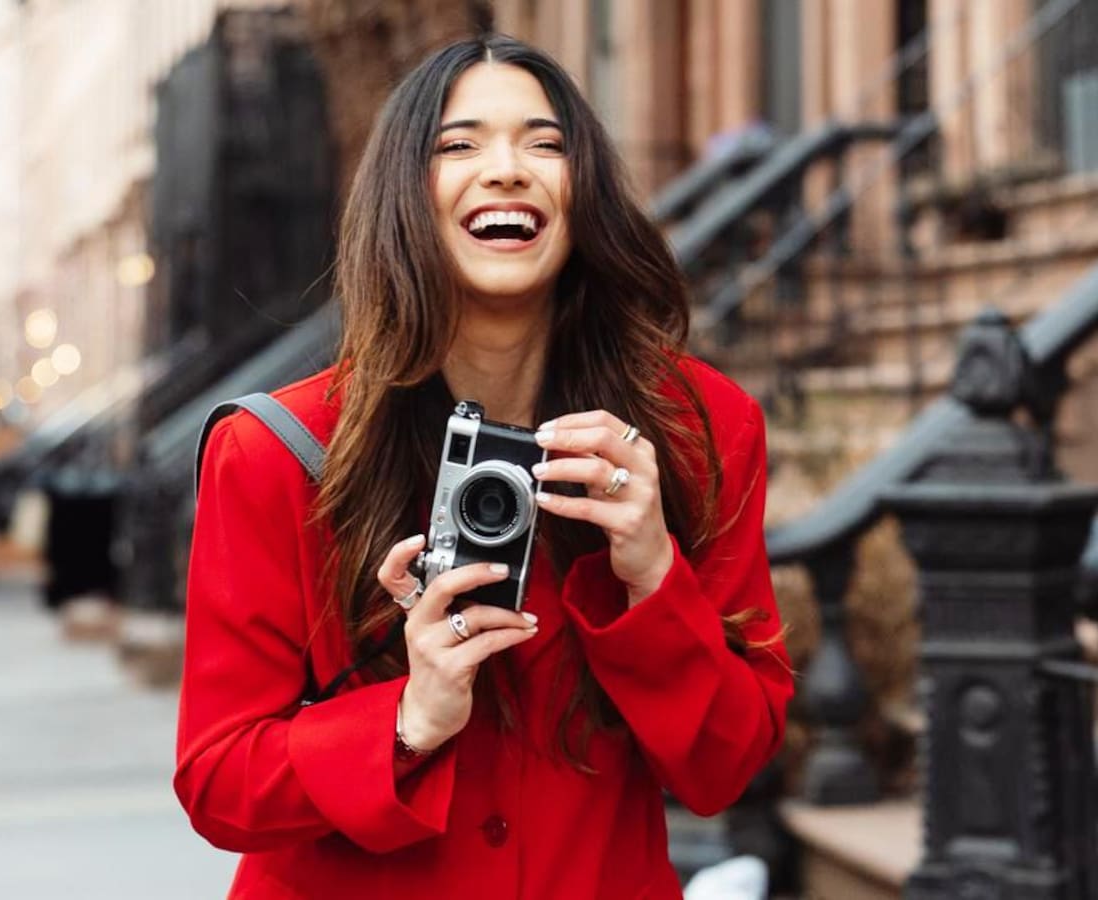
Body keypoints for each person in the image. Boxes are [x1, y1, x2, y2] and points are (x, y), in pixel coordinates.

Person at [175, 33, 792, 900]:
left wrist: (653, 573)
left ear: (585, 193)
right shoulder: (282, 450)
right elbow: (218, 783)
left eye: (544, 143)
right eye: (457, 145)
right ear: (405, 197)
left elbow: (724, 766)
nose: (506, 169)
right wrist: (406, 719)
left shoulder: (694, 431)